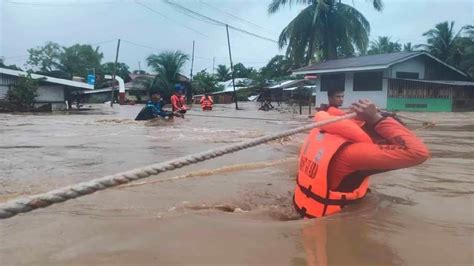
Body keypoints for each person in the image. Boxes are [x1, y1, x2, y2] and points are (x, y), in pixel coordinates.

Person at [294, 99, 430, 218]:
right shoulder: (354, 154)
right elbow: (417, 153)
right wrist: (377, 119)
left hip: (305, 209)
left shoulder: (329, 134)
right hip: (334, 225)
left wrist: (372, 117)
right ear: (379, 138)